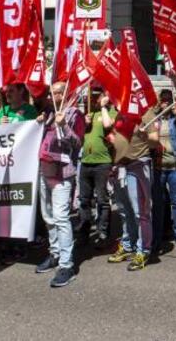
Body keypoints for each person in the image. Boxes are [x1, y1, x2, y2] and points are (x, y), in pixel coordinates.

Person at [35, 81, 85, 288]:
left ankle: (66, 265)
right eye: (51, 93)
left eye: (57, 93)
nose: (52, 96)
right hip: (44, 170)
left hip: (62, 174)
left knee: (61, 217)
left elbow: (78, 143)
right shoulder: (47, 114)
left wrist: (63, 124)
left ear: (66, 94)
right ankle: (54, 253)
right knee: (48, 217)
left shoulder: (75, 115)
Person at [107, 104, 158, 271]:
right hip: (120, 167)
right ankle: (128, 245)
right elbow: (116, 135)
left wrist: (146, 137)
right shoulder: (121, 112)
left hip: (137, 166)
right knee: (124, 211)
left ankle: (143, 250)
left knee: (140, 212)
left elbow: (154, 140)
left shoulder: (146, 112)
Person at [150, 90, 176, 255]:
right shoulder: (154, 120)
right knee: (158, 205)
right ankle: (157, 239)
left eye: (168, 100)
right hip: (159, 168)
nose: (166, 103)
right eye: (163, 100)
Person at [78, 90, 115, 248]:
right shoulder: (87, 112)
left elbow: (108, 125)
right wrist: (83, 125)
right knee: (84, 200)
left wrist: (103, 107)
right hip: (86, 161)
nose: (92, 97)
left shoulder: (111, 111)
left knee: (102, 200)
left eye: (97, 94)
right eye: (91, 95)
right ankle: (84, 231)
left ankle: (102, 232)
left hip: (102, 162)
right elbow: (79, 138)